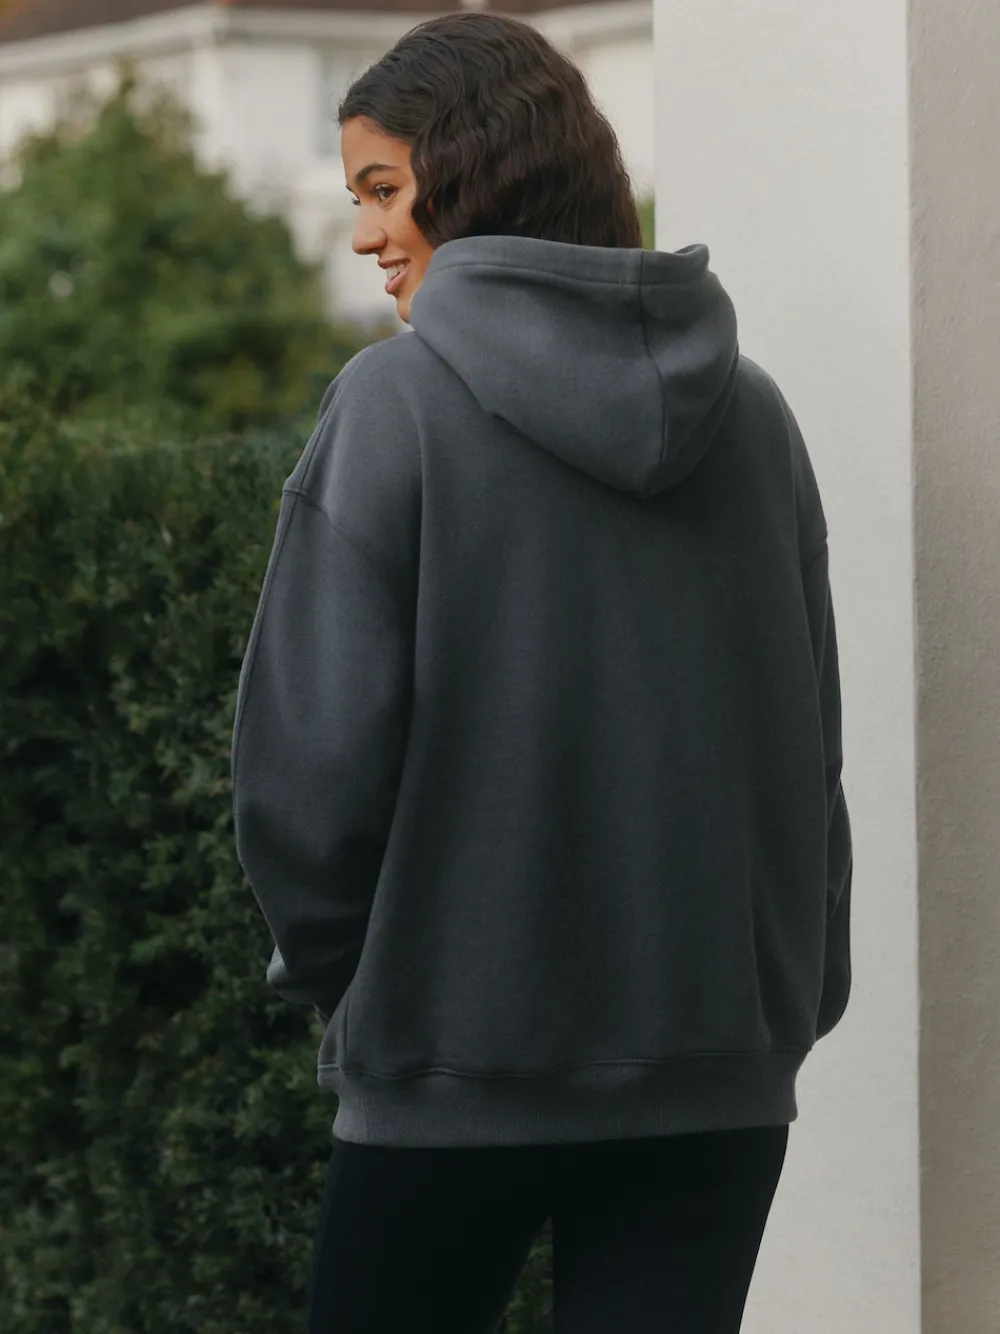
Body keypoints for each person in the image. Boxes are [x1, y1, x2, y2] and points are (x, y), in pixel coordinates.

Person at [232, 13, 853, 1334]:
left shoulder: (393, 408)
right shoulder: (755, 416)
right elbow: (812, 755)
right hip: (717, 1076)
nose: (365, 235)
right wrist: (787, 999)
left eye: (383, 189)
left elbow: (306, 780)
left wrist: (377, 992)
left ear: (474, 171)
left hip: (451, 1069)